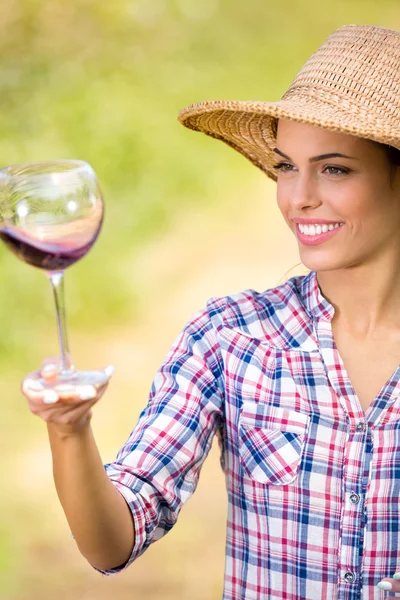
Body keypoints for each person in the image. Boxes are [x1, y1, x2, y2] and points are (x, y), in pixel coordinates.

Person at [22, 23, 400, 600]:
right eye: (284, 166)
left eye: (334, 168)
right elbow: (112, 542)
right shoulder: (231, 336)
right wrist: (70, 431)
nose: (298, 197)